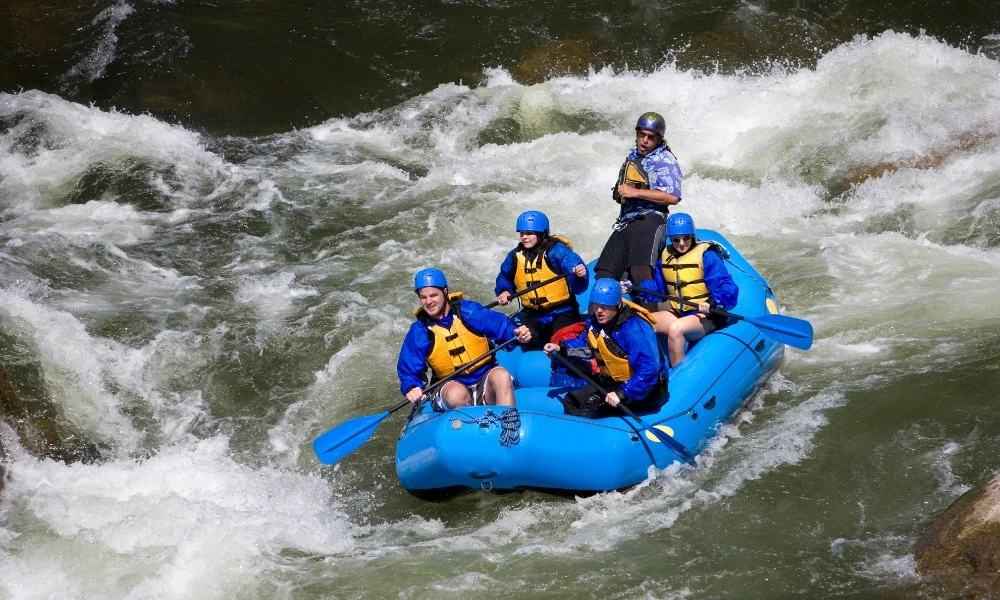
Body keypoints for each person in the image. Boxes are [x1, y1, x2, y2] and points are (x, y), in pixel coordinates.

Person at [398, 268, 532, 409]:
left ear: (445, 292)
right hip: (450, 385)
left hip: (484, 379)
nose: (428, 302)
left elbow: (503, 328)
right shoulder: (419, 331)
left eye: (433, 295)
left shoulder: (469, 311)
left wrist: (516, 334)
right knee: (456, 394)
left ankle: (508, 423)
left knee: (502, 375)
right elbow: (408, 371)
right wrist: (411, 387)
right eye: (423, 297)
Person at [594, 111, 682, 310]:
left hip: (650, 220)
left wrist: (635, 192)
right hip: (626, 222)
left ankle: (651, 324)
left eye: (650, 137)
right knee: (604, 273)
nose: (644, 140)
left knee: (640, 272)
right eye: (642, 134)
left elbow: (673, 197)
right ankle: (598, 331)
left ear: (659, 139)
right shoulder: (632, 157)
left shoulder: (665, 160)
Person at [543, 278, 667, 418]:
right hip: (615, 383)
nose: (599, 311)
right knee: (571, 400)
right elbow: (586, 345)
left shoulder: (634, 329)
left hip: (647, 388)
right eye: (596, 305)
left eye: (605, 306)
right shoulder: (596, 324)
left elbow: (649, 369)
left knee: (590, 406)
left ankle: (589, 436)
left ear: (618, 304)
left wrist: (623, 392)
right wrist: (561, 348)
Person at [634, 213, 739, 367]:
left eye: (686, 238)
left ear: (692, 236)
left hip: (707, 316)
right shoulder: (666, 257)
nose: (681, 243)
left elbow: (727, 287)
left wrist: (713, 302)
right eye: (676, 240)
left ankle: (678, 375)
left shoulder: (707, 256)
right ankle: (651, 369)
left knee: (676, 329)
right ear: (670, 238)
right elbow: (658, 288)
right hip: (680, 312)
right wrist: (635, 288)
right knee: (642, 322)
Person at [494, 210, 589, 348]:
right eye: (522, 233)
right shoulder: (515, 256)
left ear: (542, 233)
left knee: (564, 340)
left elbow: (571, 265)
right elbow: (504, 276)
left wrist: (579, 274)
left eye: (529, 233)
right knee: (526, 338)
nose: (524, 237)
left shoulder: (556, 251)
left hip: (563, 311)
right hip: (534, 314)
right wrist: (504, 291)